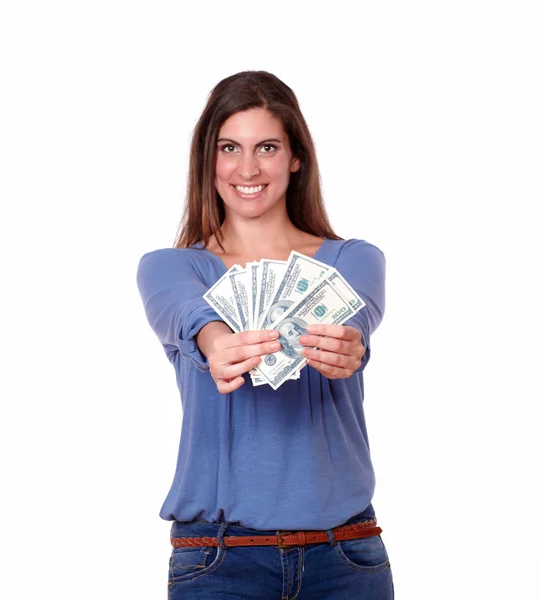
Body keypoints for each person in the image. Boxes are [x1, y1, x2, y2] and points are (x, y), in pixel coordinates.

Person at [136, 70, 394, 599]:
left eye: (267, 147)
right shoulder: (170, 267)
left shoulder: (354, 260)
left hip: (344, 553)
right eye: (229, 147)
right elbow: (186, 316)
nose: (247, 168)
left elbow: (357, 317)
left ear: (295, 157)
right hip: (218, 560)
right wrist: (215, 343)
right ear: (208, 160)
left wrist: (347, 346)